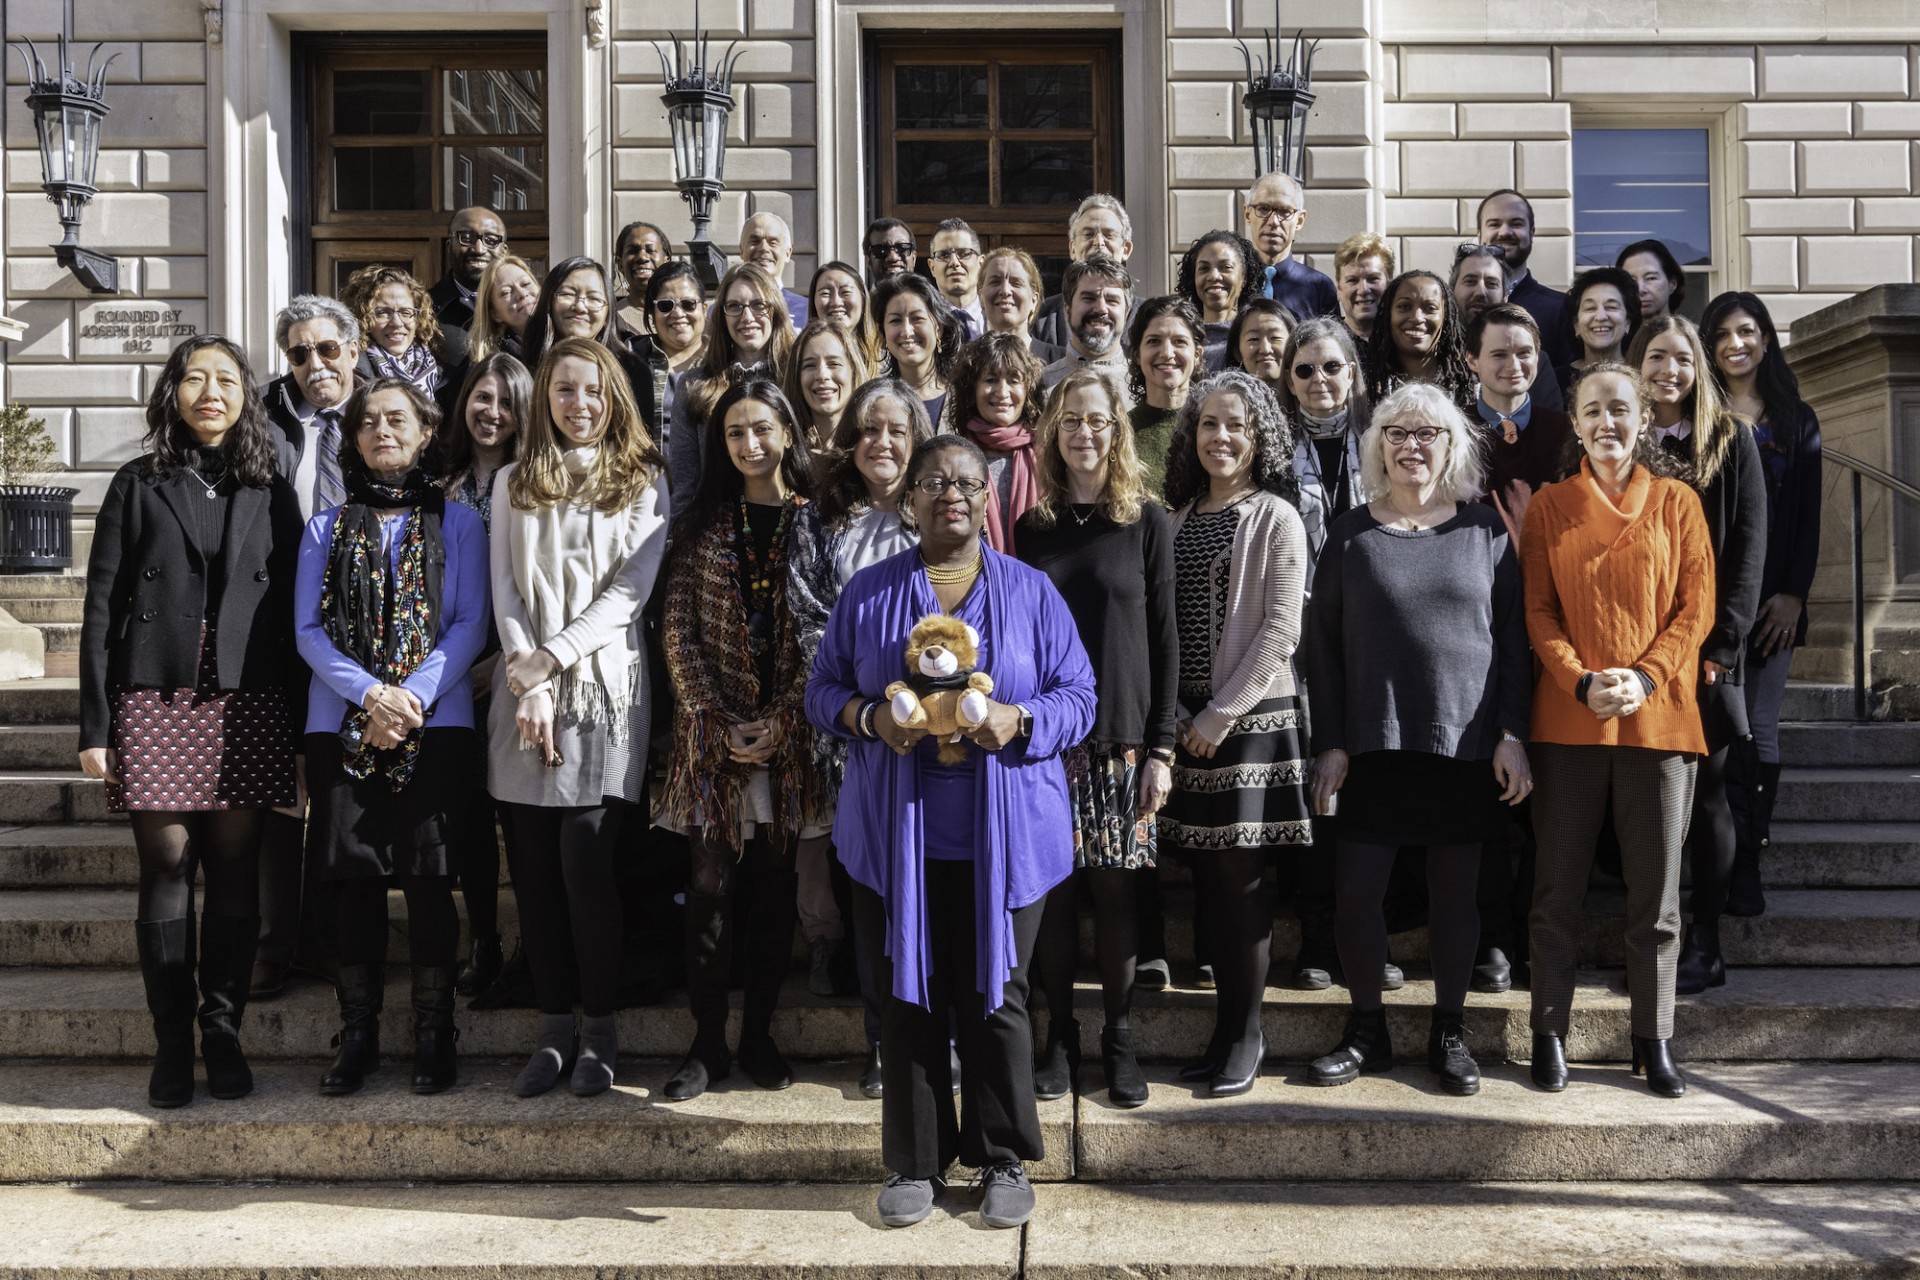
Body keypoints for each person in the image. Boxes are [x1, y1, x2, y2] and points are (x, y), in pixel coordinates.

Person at [804, 434, 1096, 1231]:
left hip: (1007, 839)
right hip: (895, 836)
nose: (952, 495)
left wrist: (1020, 717)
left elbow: (1080, 695)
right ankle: (914, 1164)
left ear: (987, 497)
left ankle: (1003, 1157)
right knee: (908, 998)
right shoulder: (868, 593)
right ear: (910, 500)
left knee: (997, 997)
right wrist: (867, 716)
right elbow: (821, 690)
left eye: (967, 481)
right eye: (934, 481)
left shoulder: (1031, 592)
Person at [80, 336, 304, 1108]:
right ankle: (172, 1041)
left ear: (247, 395)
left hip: (248, 696)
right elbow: (101, 608)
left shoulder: (271, 486)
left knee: (238, 868)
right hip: (156, 690)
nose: (211, 392)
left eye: (227, 379)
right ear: (173, 391)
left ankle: (222, 1030)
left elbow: (291, 609)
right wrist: (94, 724)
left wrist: (304, 723)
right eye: (195, 378)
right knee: (168, 861)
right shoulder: (137, 483)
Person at [1303, 384, 1532, 1097]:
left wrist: (1512, 734)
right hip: (1371, 747)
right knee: (1356, 894)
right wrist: (1332, 741)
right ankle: (1366, 1030)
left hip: (1463, 746)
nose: (1411, 444)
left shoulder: (1483, 532)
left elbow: (1514, 645)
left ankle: (1449, 1032)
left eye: (1427, 433)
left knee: (1456, 900)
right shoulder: (1348, 534)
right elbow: (1323, 650)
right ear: (1378, 446)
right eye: (1397, 433)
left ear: (1450, 446)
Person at [1521, 361, 1714, 1099]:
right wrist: (1578, 678)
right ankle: (1549, 1033)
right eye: (1593, 411)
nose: (1607, 423)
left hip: (1661, 720)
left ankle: (1653, 1039)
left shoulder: (1678, 503)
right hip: (1569, 719)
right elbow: (1538, 611)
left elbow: (1695, 610)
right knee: (1556, 890)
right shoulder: (1549, 506)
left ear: (1642, 420)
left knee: (1656, 898)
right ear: (1574, 424)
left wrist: (1646, 676)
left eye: (1621, 410)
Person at [295, 376, 489, 1097]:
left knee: (432, 877)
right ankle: (360, 1034)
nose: (382, 430)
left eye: (396, 419)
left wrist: (411, 694)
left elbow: (471, 622)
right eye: (369, 421)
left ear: (424, 431)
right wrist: (371, 694)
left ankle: (436, 1033)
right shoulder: (326, 526)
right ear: (353, 439)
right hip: (339, 722)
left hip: (436, 722)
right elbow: (306, 631)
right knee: (356, 882)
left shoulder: (459, 521)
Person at [489, 337, 669, 1097]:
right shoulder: (509, 482)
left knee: (587, 865)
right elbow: (505, 586)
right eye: (564, 390)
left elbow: (630, 593)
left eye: (592, 391)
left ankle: (600, 1029)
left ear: (613, 398)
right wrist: (527, 679)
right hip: (521, 693)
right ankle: (553, 1028)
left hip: (602, 690)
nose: (579, 403)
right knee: (532, 873)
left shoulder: (643, 480)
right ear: (544, 399)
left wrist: (552, 661)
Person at [1017, 367, 1177, 1110]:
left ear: (1118, 433)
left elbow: (1168, 643)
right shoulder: (1033, 528)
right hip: (1048, 740)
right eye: (1072, 421)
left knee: (1115, 897)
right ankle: (1058, 1038)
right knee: (1050, 896)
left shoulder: (1146, 521)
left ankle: (1119, 1037)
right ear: (1054, 432)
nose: (1085, 433)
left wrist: (1162, 748)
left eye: (1098, 422)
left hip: (1121, 740)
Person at [658, 378, 822, 1101]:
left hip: (789, 742)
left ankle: (758, 1034)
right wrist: (715, 719)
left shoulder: (814, 522)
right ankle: (706, 1041)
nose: (750, 444)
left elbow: (827, 633)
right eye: (734, 433)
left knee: (773, 893)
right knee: (707, 887)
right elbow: (677, 630)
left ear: (787, 432)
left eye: (762, 429)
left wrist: (784, 719)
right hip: (710, 740)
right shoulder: (702, 523)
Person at [1159, 369, 1313, 1097]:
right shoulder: (1177, 513)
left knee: (1243, 883)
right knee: (1209, 884)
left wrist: (1223, 711)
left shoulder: (1275, 515)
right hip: (1188, 722)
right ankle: (1221, 1031)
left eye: (1238, 426)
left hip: (1248, 721)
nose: (1222, 438)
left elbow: (1282, 628)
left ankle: (1248, 1033)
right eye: (1211, 425)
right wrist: (1183, 715)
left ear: (1261, 439)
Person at [788, 379, 936, 1095]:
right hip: (853, 735)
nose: (883, 443)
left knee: (932, 890)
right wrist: (876, 693)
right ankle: (884, 1040)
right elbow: (811, 621)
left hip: (937, 740)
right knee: (872, 891)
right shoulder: (822, 521)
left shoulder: (940, 514)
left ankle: (935, 1033)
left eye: (898, 432)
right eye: (870, 430)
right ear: (851, 439)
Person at [1632, 314, 1767, 994]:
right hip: (1633, 650)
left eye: (1681, 359)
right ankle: (1651, 941)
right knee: (1646, 804)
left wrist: (1726, 640)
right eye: (1656, 357)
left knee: (1709, 795)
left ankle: (1705, 943)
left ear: (1698, 369)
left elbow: (1748, 548)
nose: (1669, 370)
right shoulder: (1619, 438)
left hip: (1706, 653)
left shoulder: (1730, 441)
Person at [255, 294, 365, 999]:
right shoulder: (261, 420)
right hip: (278, 627)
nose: (314, 364)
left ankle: (328, 938)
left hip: (362, 633)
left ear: (352, 350)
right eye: (299, 353)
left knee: (337, 787)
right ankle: (275, 940)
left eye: (327, 349)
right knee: (281, 789)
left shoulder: (384, 413)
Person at [1702, 292, 1822, 918]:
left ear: (1766, 340)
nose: (1734, 344)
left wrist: (1793, 597)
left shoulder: (1796, 419)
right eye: (1720, 334)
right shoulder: (1701, 415)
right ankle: (1713, 858)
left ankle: (1748, 860)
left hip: (1774, 605)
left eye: (1746, 332)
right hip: (1710, 602)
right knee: (1721, 731)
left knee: (1761, 730)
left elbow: (1808, 520)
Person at [441, 352, 531, 1000]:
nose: (491, 412)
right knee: (467, 816)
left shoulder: (533, 482)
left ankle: (533, 945)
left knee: (522, 817)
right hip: (447, 674)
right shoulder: (438, 483)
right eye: (482, 397)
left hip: (518, 672)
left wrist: (500, 664)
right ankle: (483, 939)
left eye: (505, 401)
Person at [667, 263, 796, 518]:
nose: (747, 317)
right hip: (717, 535)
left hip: (790, 526)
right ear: (722, 315)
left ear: (776, 311)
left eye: (759, 305)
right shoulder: (694, 385)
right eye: (735, 306)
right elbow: (684, 484)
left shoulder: (796, 378)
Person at [1467, 304, 1575, 527]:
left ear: (1537, 357)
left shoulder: (1566, 432)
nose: (1513, 366)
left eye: (1524, 353)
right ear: (1472, 360)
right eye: (1499, 355)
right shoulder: (1454, 430)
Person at [1276, 316, 1369, 566]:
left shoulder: (1380, 444)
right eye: (1305, 370)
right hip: (1299, 593)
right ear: (1290, 382)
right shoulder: (1273, 452)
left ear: (1350, 373)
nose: (1319, 378)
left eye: (1331, 367)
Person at [950, 332, 1047, 552]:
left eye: (1014, 380)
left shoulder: (1048, 454)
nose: (1002, 392)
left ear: (1028, 390)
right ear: (972, 389)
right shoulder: (952, 457)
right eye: (990, 380)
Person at [1125, 296, 1205, 500]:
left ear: (1197, 355)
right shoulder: (1119, 431)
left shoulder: (1214, 425)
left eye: (1179, 342)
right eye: (1154, 341)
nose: (1167, 353)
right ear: (1136, 354)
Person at [1477, 189, 1568, 367]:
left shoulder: (1561, 309)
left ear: (1532, 232)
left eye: (1516, 223)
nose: (1504, 232)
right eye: (1494, 224)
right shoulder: (1459, 306)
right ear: (1479, 234)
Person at [1033, 194, 1136, 347]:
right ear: (1072, 248)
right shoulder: (1041, 318)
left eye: (1109, 235)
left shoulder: (1148, 318)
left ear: (1126, 249)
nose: (1099, 242)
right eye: (1088, 234)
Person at [1364, 270, 1475, 409]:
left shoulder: (1469, 388)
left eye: (1430, 308)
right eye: (1404, 307)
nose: (1417, 317)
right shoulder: (1365, 388)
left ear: (1445, 317)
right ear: (1388, 314)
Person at [628, 260, 708, 450]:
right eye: (665, 305)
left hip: (710, 478)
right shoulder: (631, 357)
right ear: (652, 313)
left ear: (705, 309)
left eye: (688, 304)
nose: (678, 313)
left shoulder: (722, 359)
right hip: (646, 477)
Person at [348, 265, 453, 407]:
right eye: (383, 312)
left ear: (418, 318)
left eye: (405, 312)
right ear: (363, 318)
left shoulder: (446, 377)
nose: (396, 323)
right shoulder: (352, 375)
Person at [1243, 171, 1337, 319]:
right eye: (1263, 209)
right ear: (1248, 214)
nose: (1273, 221)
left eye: (1284, 211)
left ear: (1299, 220)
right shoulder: (1231, 283)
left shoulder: (1320, 287)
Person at [875, 271, 965, 426]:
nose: (906, 331)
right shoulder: (873, 401)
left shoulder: (964, 399)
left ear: (938, 329)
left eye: (917, 319)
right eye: (895, 320)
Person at [1042, 254, 1133, 389]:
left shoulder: (1146, 384)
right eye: (1089, 298)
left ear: (1126, 313)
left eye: (1112, 300)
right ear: (1067, 310)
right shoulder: (1042, 385)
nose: (1101, 309)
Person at [1176, 230, 1259, 372]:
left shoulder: (1257, 337)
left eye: (1226, 267)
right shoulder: (1180, 337)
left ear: (1244, 277)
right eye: (1204, 269)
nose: (1213, 276)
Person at [784, 319, 872, 452]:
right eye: (810, 365)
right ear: (796, 377)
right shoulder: (783, 453)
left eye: (834, 364)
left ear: (854, 372)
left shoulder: (873, 448)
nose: (822, 375)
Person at [1557, 266, 1641, 396]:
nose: (1601, 317)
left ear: (1627, 323)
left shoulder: (1644, 376)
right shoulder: (1555, 381)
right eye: (1590, 308)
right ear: (1576, 325)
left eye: (1611, 307)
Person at [429, 206, 508, 338]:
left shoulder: (522, 305)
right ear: (450, 246)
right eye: (466, 238)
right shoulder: (425, 308)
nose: (479, 249)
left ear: (504, 251)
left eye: (491, 240)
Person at [979, 247, 1066, 363]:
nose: (1005, 291)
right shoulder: (966, 361)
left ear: (1034, 301)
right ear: (981, 297)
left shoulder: (1062, 362)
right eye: (995, 282)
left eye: (1016, 283)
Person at [467, 254, 542, 364]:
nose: (521, 294)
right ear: (495, 314)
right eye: (506, 292)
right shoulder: (494, 368)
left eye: (526, 284)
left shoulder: (568, 338)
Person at [741, 211, 810, 326]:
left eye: (773, 243)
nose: (763, 248)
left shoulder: (808, 311)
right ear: (742, 250)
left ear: (788, 253)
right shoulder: (721, 310)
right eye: (755, 241)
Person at [809, 260, 884, 365]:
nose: (836, 302)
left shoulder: (883, 363)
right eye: (825, 293)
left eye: (846, 292)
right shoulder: (802, 359)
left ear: (863, 298)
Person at [1225, 298, 1297, 403]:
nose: (1266, 349)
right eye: (1254, 339)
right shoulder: (1228, 408)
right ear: (1237, 353)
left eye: (1275, 338)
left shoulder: (1311, 401)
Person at [614, 220, 673, 337]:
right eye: (633, 251)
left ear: (667, 261)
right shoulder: (608, 320)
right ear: (620, 264)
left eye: (650, 250)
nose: (642, 257)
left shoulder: (684, 314)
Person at [930, 218, 986, 338]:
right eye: (944, 255)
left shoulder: (999, 317)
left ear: (981, 264)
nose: (954, 262)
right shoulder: (924, 319)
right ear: (932, 267)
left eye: (964, 253)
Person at [1334, 232, 1393, 343]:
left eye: (1373, 279)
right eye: (1352, 280)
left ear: (1389, 285)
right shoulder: (1326, 344)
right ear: (1339, 288)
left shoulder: (1404, 344)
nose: (1363, 290)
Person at [1618, 239, 1687, 322]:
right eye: (1631, 280)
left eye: (1651, 278)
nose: (1640, 289)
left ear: (1672, 284)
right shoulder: (1612, 334)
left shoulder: (1693, 334)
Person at [863, 216, 918, 288]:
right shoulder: (861, 299)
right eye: (881, 250)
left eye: (902, 248)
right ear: (869, 261)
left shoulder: (931, 299)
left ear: (914, 258)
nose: (893, 257)